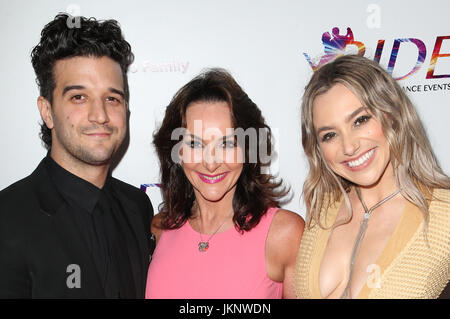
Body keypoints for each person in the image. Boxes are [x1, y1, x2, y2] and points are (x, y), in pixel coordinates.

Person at [0, 13, 154, 298]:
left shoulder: (139, 207)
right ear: (47, 111)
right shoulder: (7, 218)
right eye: (79, 97)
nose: (100, 115)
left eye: (112, 98)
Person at [294, 54, 450, 299]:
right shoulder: (322, 209)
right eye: (329, 135)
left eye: (360, 120)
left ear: (392, 114)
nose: (348, 146)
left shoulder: (445, 215)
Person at [146, 69, 304, 298]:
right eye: (195, 144)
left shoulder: (284, 235)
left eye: (227, 144)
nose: (211, 163)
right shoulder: (160, 229)